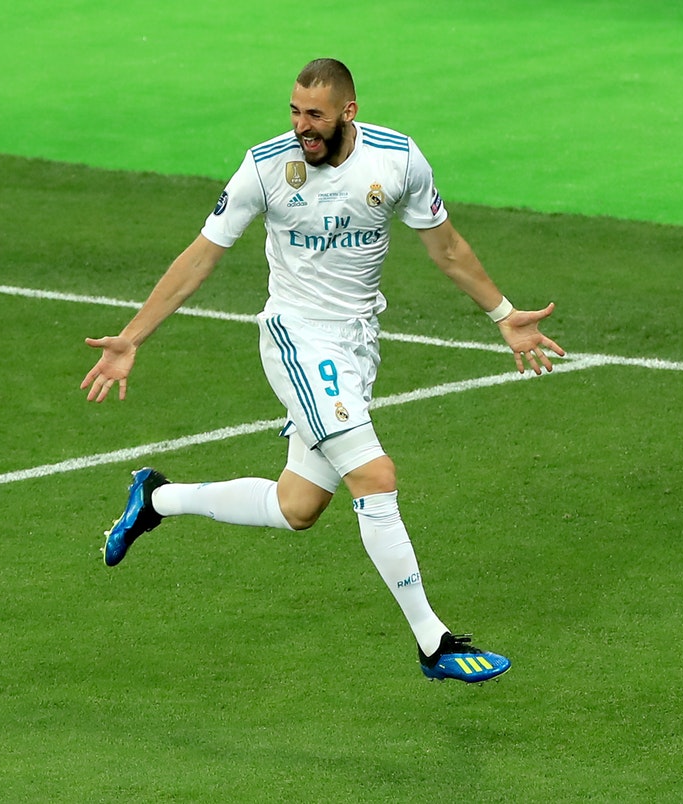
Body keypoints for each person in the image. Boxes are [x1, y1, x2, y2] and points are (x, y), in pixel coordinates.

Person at [81, 58, 563, 683]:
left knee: (297, 506)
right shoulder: (265, 168)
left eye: (315, 115)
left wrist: (503, 314)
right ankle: (434, 643)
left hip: (357, 345)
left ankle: (155, 499)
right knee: (375, 475)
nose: (302, 127)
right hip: (298, 340)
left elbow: (447, 248)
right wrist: (131, 337)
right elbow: (201, 257)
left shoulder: (398, 159)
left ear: (348, 113)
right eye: (294, 112)